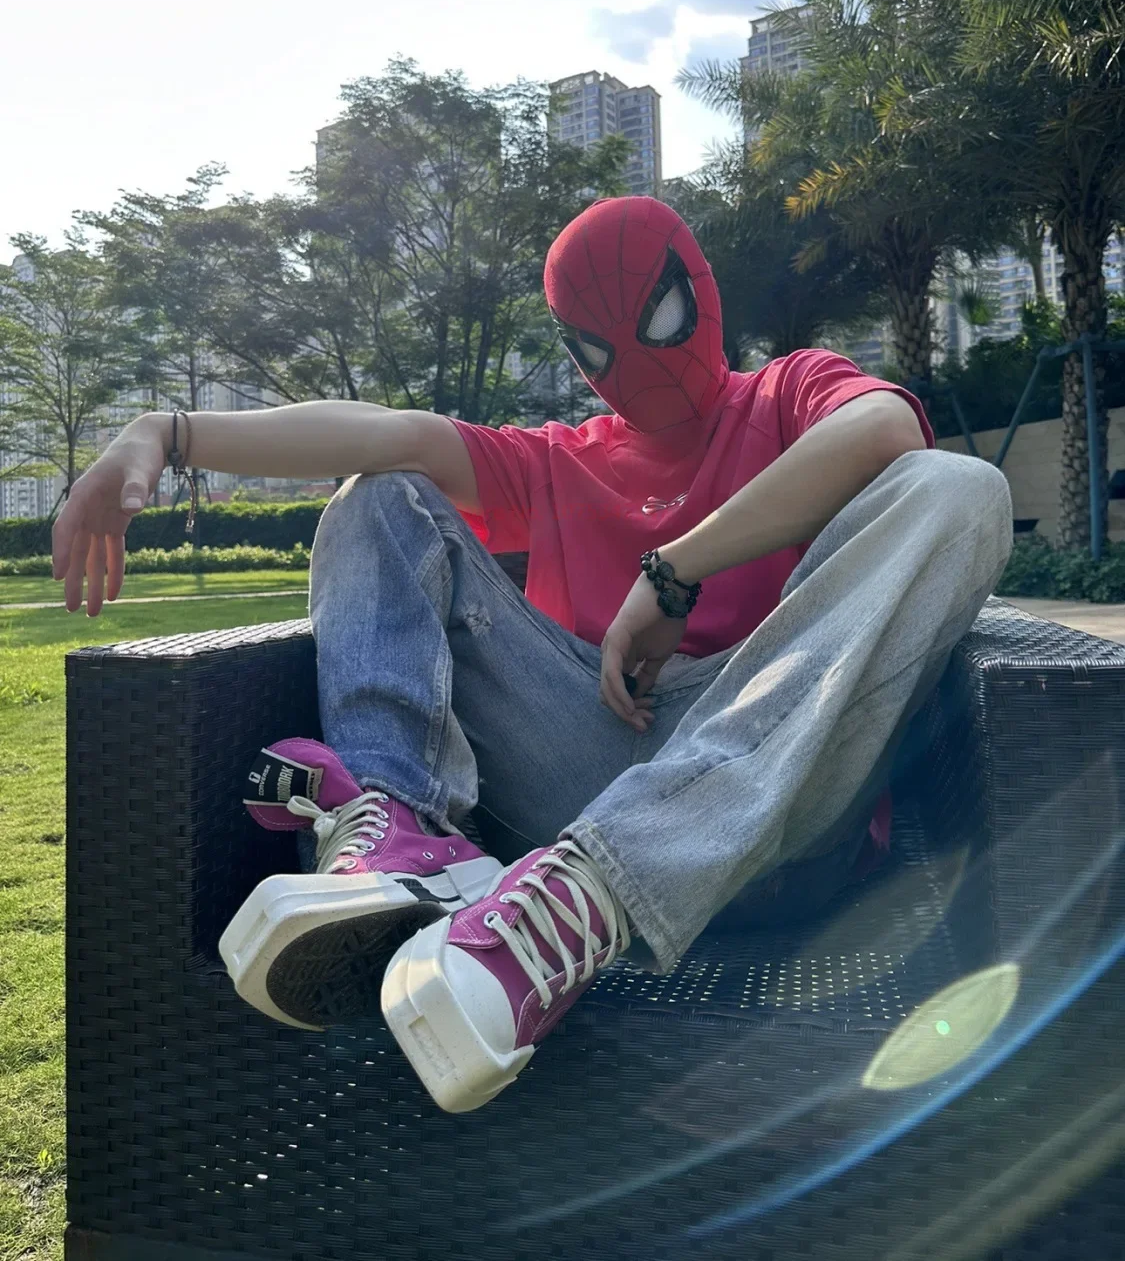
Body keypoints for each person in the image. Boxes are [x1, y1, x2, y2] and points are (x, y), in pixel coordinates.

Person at [53, 195, 1013, 1115]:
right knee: (381, 491)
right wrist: (163, 433)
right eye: (596, 342)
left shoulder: (786, 392)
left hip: (776, 803)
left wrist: (674, 570)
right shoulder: (555, 458)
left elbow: (885, 429)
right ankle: (400, 835)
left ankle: (599, 891)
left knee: (953, 486)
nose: (633, 359)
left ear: (699, 291)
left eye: (657, 313)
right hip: (585, 779)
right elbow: (388, 432)